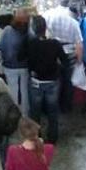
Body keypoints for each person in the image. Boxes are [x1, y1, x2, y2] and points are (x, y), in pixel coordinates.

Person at [27, 16, 70, 144]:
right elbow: (65, 61)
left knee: (35, 112)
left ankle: (36, 137)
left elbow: (22, 59)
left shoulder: (30, 44)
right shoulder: (54, 43)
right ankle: (53, 138)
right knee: (53, 111)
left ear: (33, 29)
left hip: (36, 82)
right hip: (52, 81)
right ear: (45, 28)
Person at [42, 0, 83, 113]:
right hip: (69, 54)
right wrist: (80, 61)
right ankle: (66, 107)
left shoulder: (48, 15)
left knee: (54, 80)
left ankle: (53, 106)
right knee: (67, 81)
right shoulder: (73, 22)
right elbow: (79, 43)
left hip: (52, 52)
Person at [0, 10, 30, 115]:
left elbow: (1, 47)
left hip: (10, 66)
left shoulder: (7, 30)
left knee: (13, 91)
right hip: (24, 66)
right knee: (25, 91)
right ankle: (25, 114)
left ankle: (14, 115)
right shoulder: (29, 32)